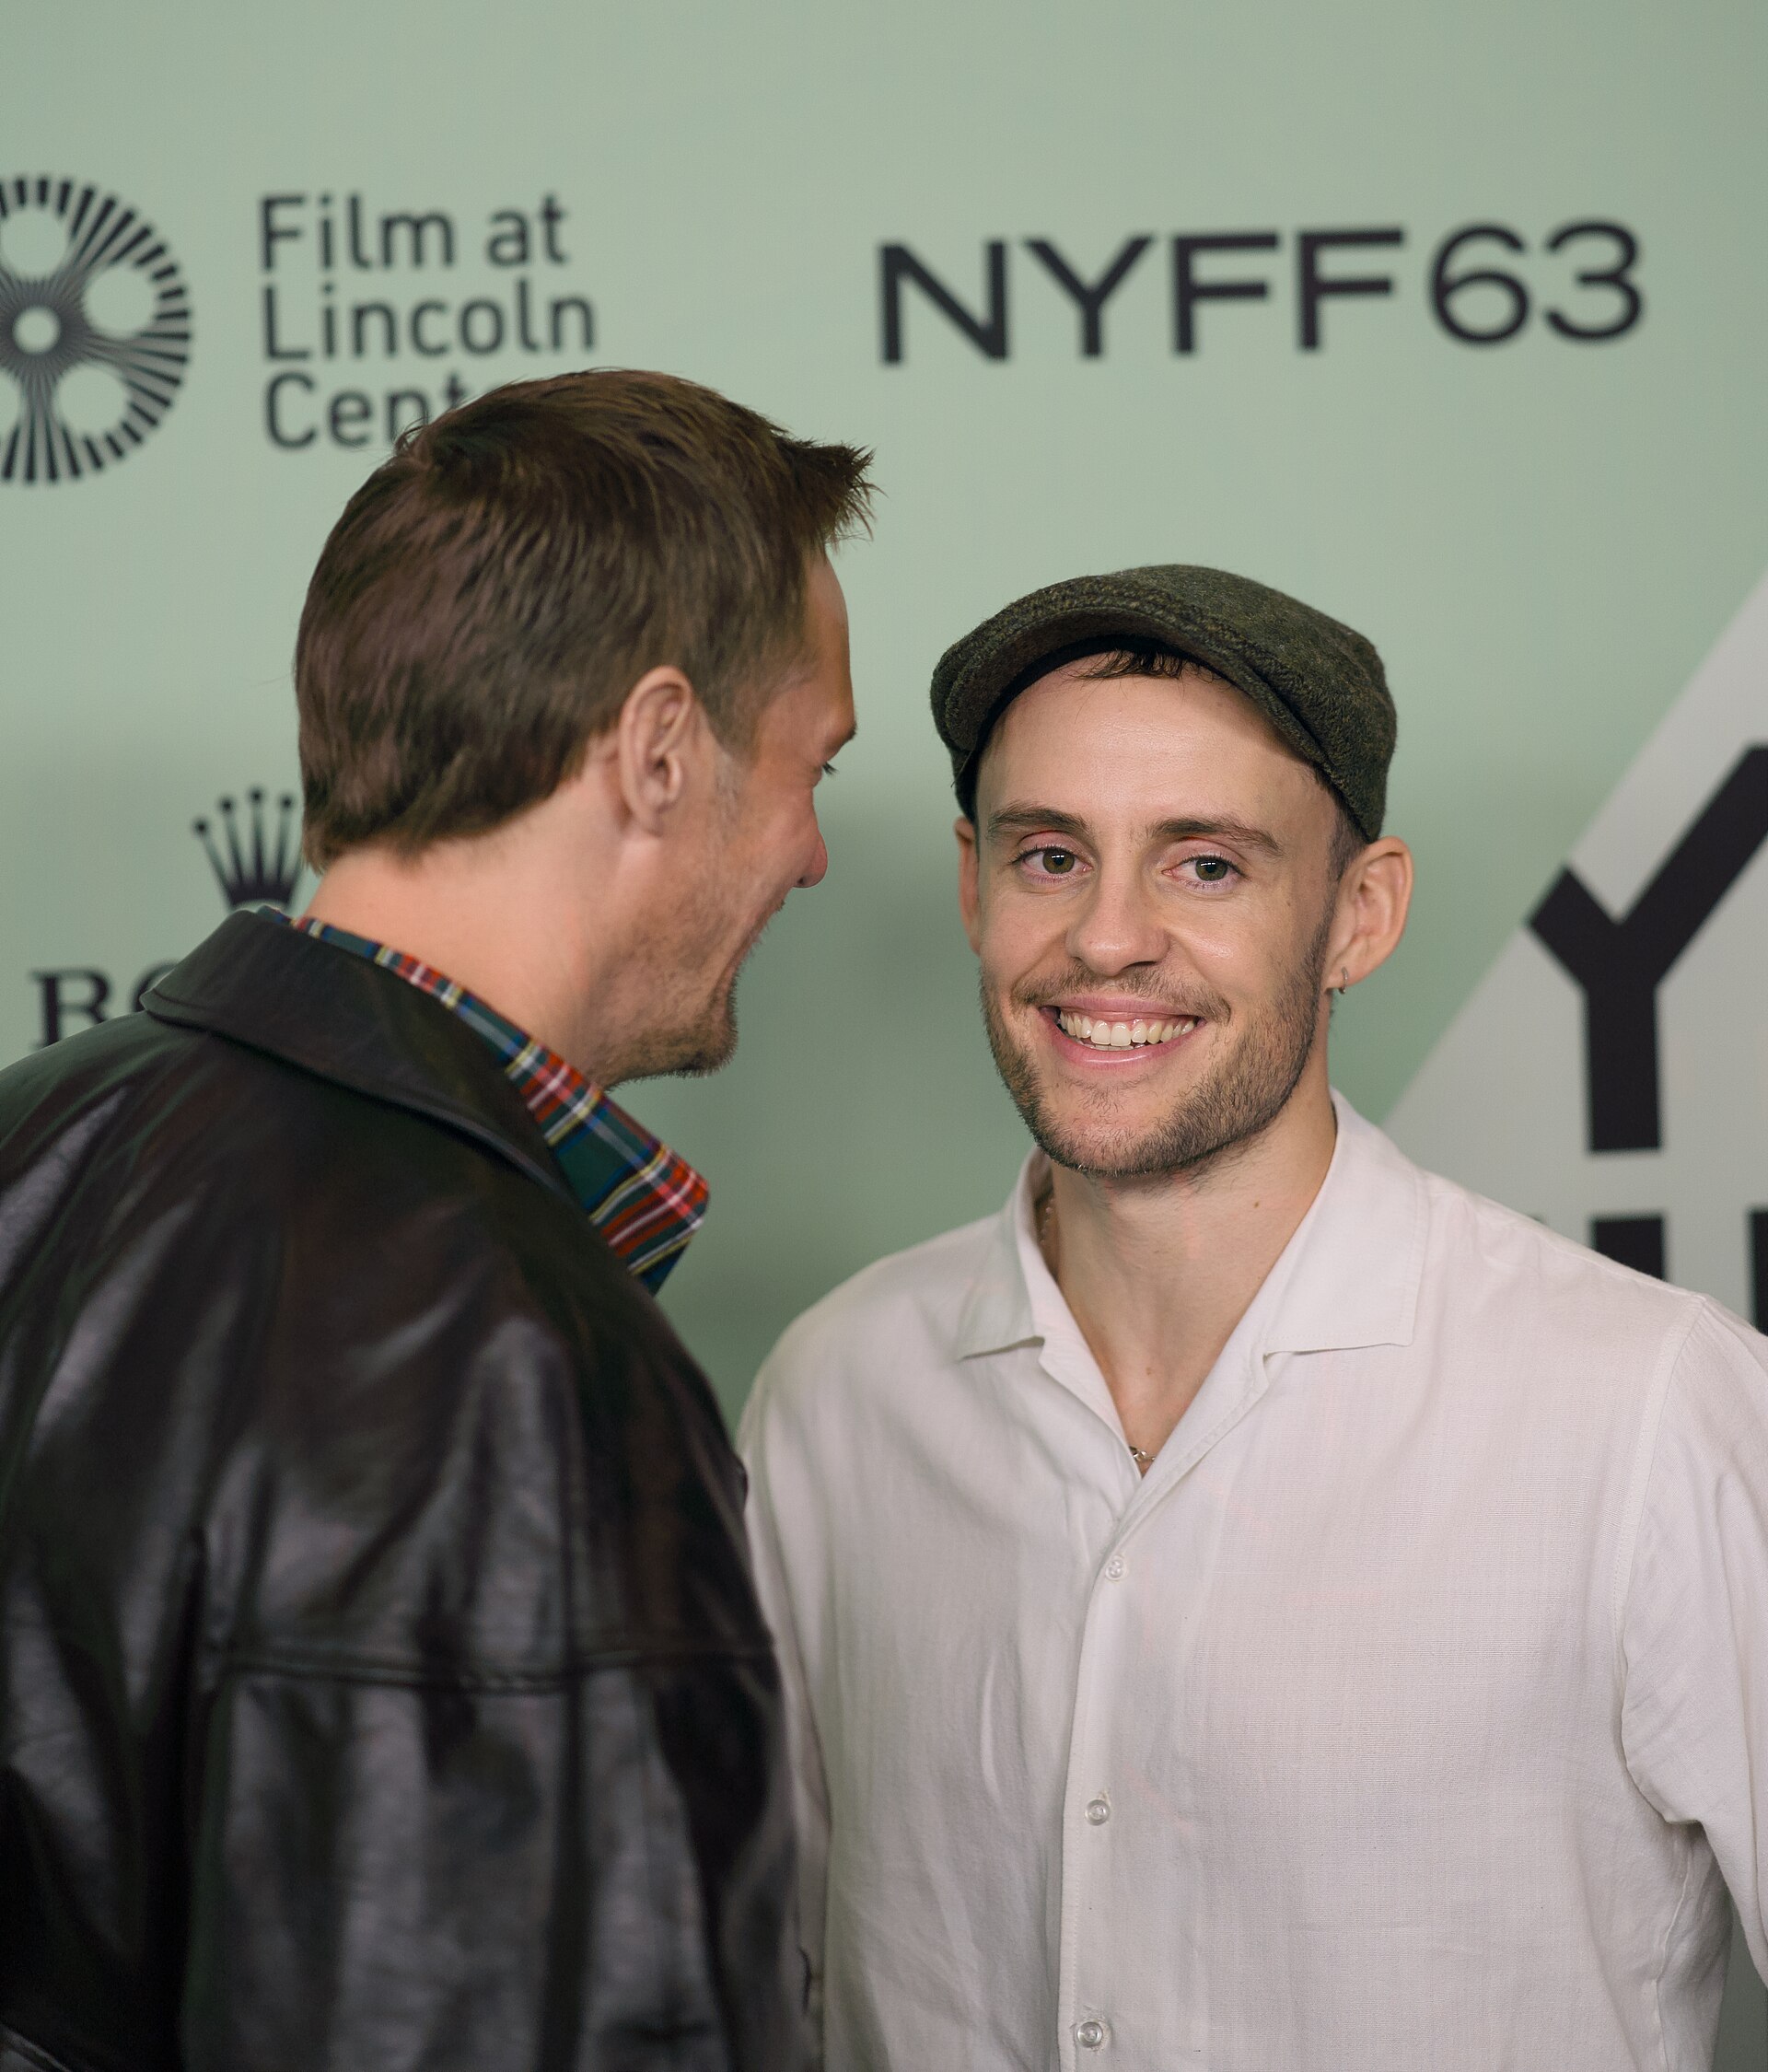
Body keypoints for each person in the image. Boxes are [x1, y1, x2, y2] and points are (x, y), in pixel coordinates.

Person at [740, 564, 1768, 2072]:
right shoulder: (836, 1396)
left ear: (1360, 912)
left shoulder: (1645, 1407)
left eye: (1205, 864)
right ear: (971, 885)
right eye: (1048, 856)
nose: (1107, 939)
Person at [0, 369, 870, 2069]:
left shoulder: (35, 1133)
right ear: (660, 748)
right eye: (810, 763)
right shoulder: (510, 1354)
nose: (820, 854)